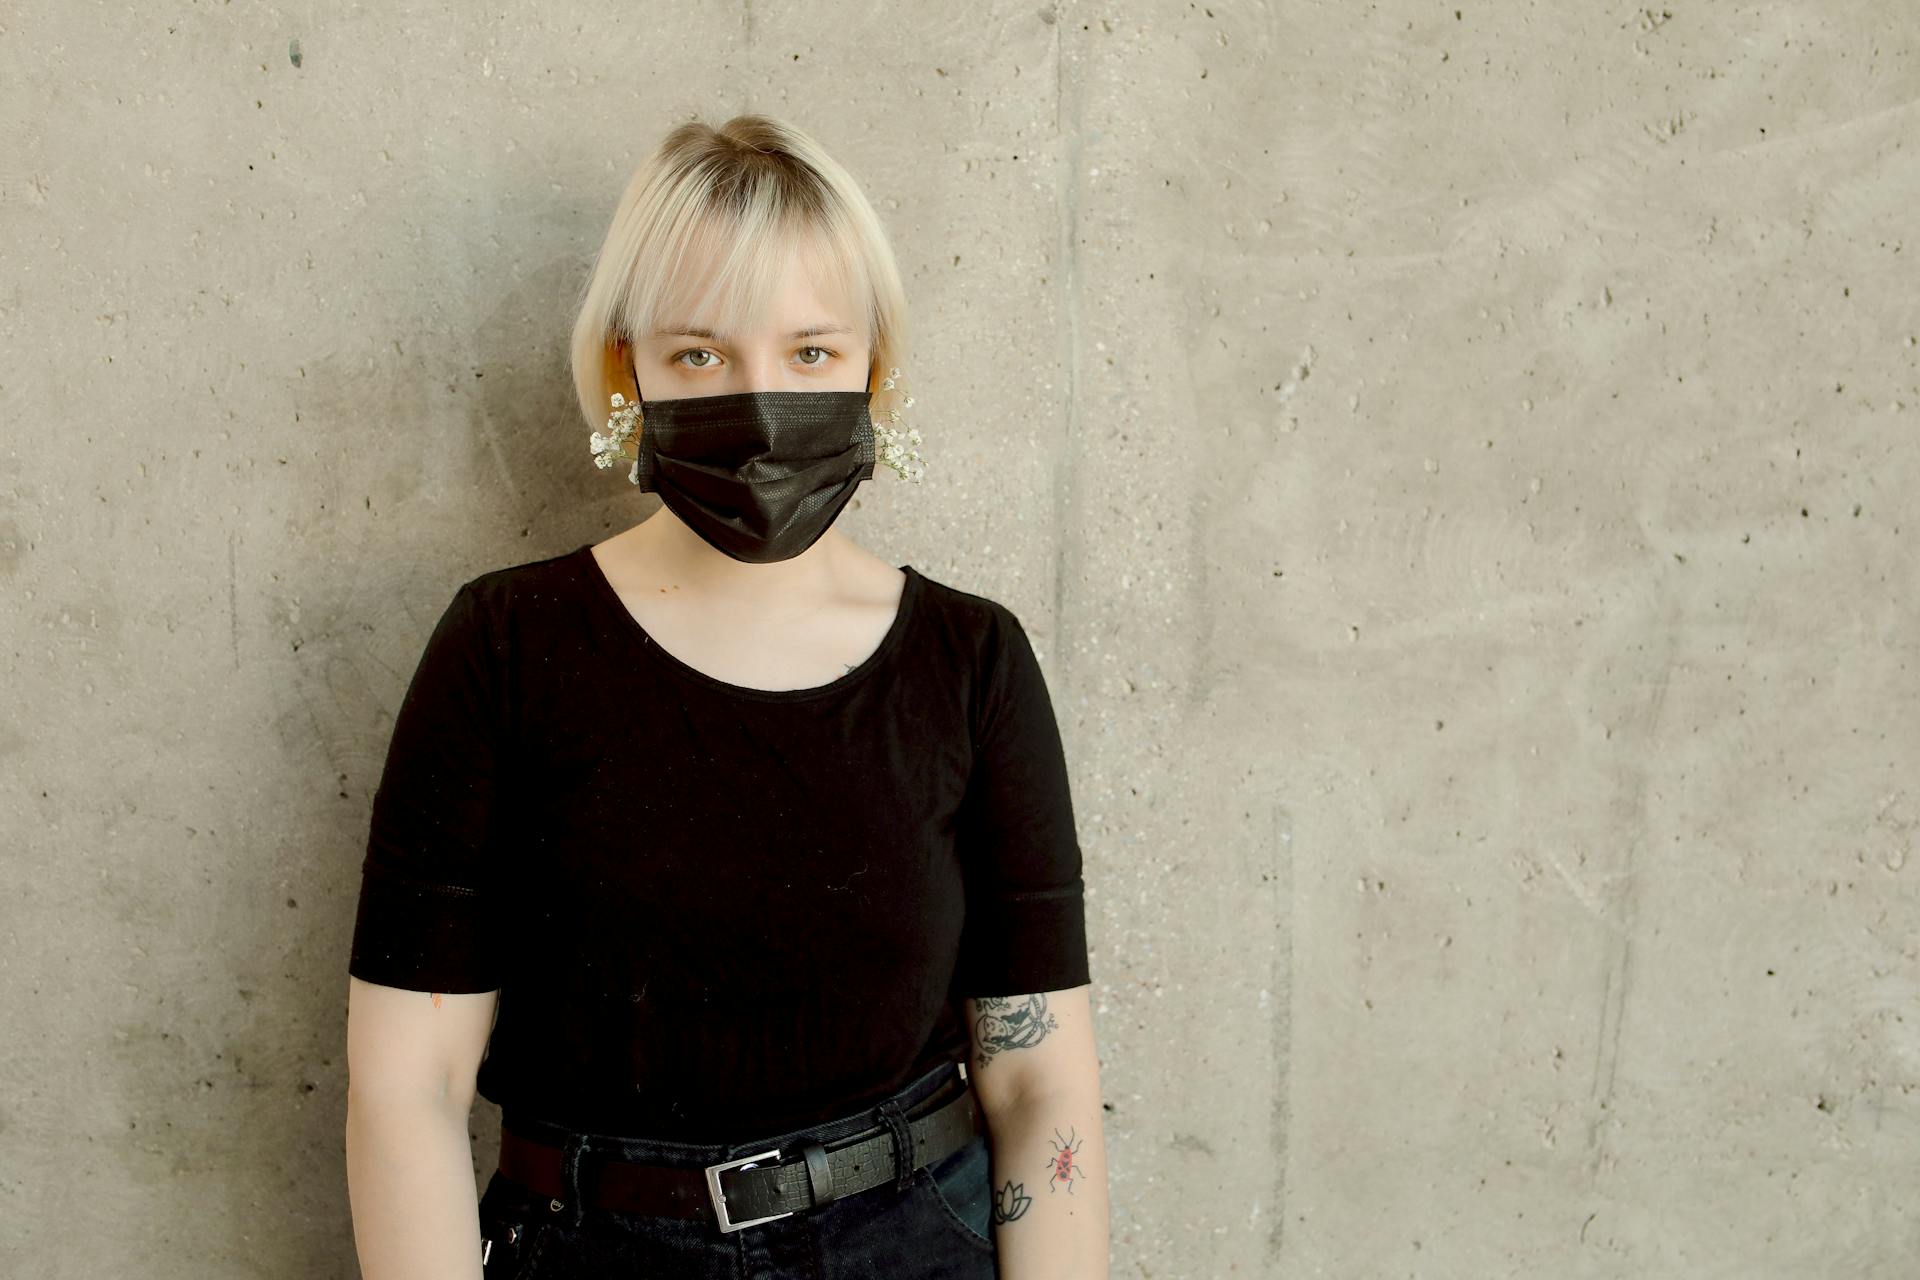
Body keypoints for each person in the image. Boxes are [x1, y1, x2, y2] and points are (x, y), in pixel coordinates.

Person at [342, 114, 1109, 1280]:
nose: (760, 406)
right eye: (702, 354)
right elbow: (408, 1080)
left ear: (874, 370)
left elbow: (1039, 1076)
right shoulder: (504, 646)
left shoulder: (972, 661)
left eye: (810, 353)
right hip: (587, 1247)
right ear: (626, 369)